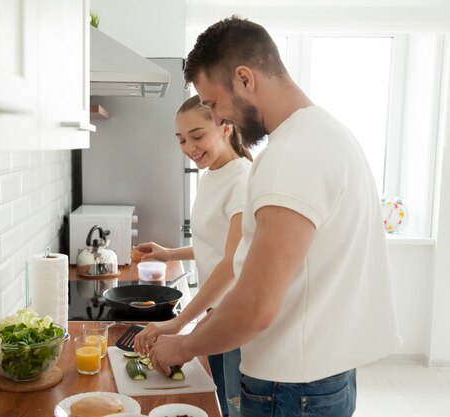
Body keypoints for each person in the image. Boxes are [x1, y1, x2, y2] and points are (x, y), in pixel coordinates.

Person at [147, 16, 402, 417]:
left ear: (245, 79)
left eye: (214, 104)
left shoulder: (291, 155)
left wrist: (182, 343)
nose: (219, 120)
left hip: (291, 388)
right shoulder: (330, 134)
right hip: (324, 375)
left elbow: (255, 305)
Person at [133, 94, 252, 417]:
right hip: (214, 312)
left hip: (235, 317)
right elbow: (214, 243)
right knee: (223, 403)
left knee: (233, 407)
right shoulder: (211, 175)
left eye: (197, 136)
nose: (188, 147)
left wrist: (179, 323)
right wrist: (169, 252)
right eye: (181, 140)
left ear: (225, 127)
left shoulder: (242, 179)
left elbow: (231, 263)